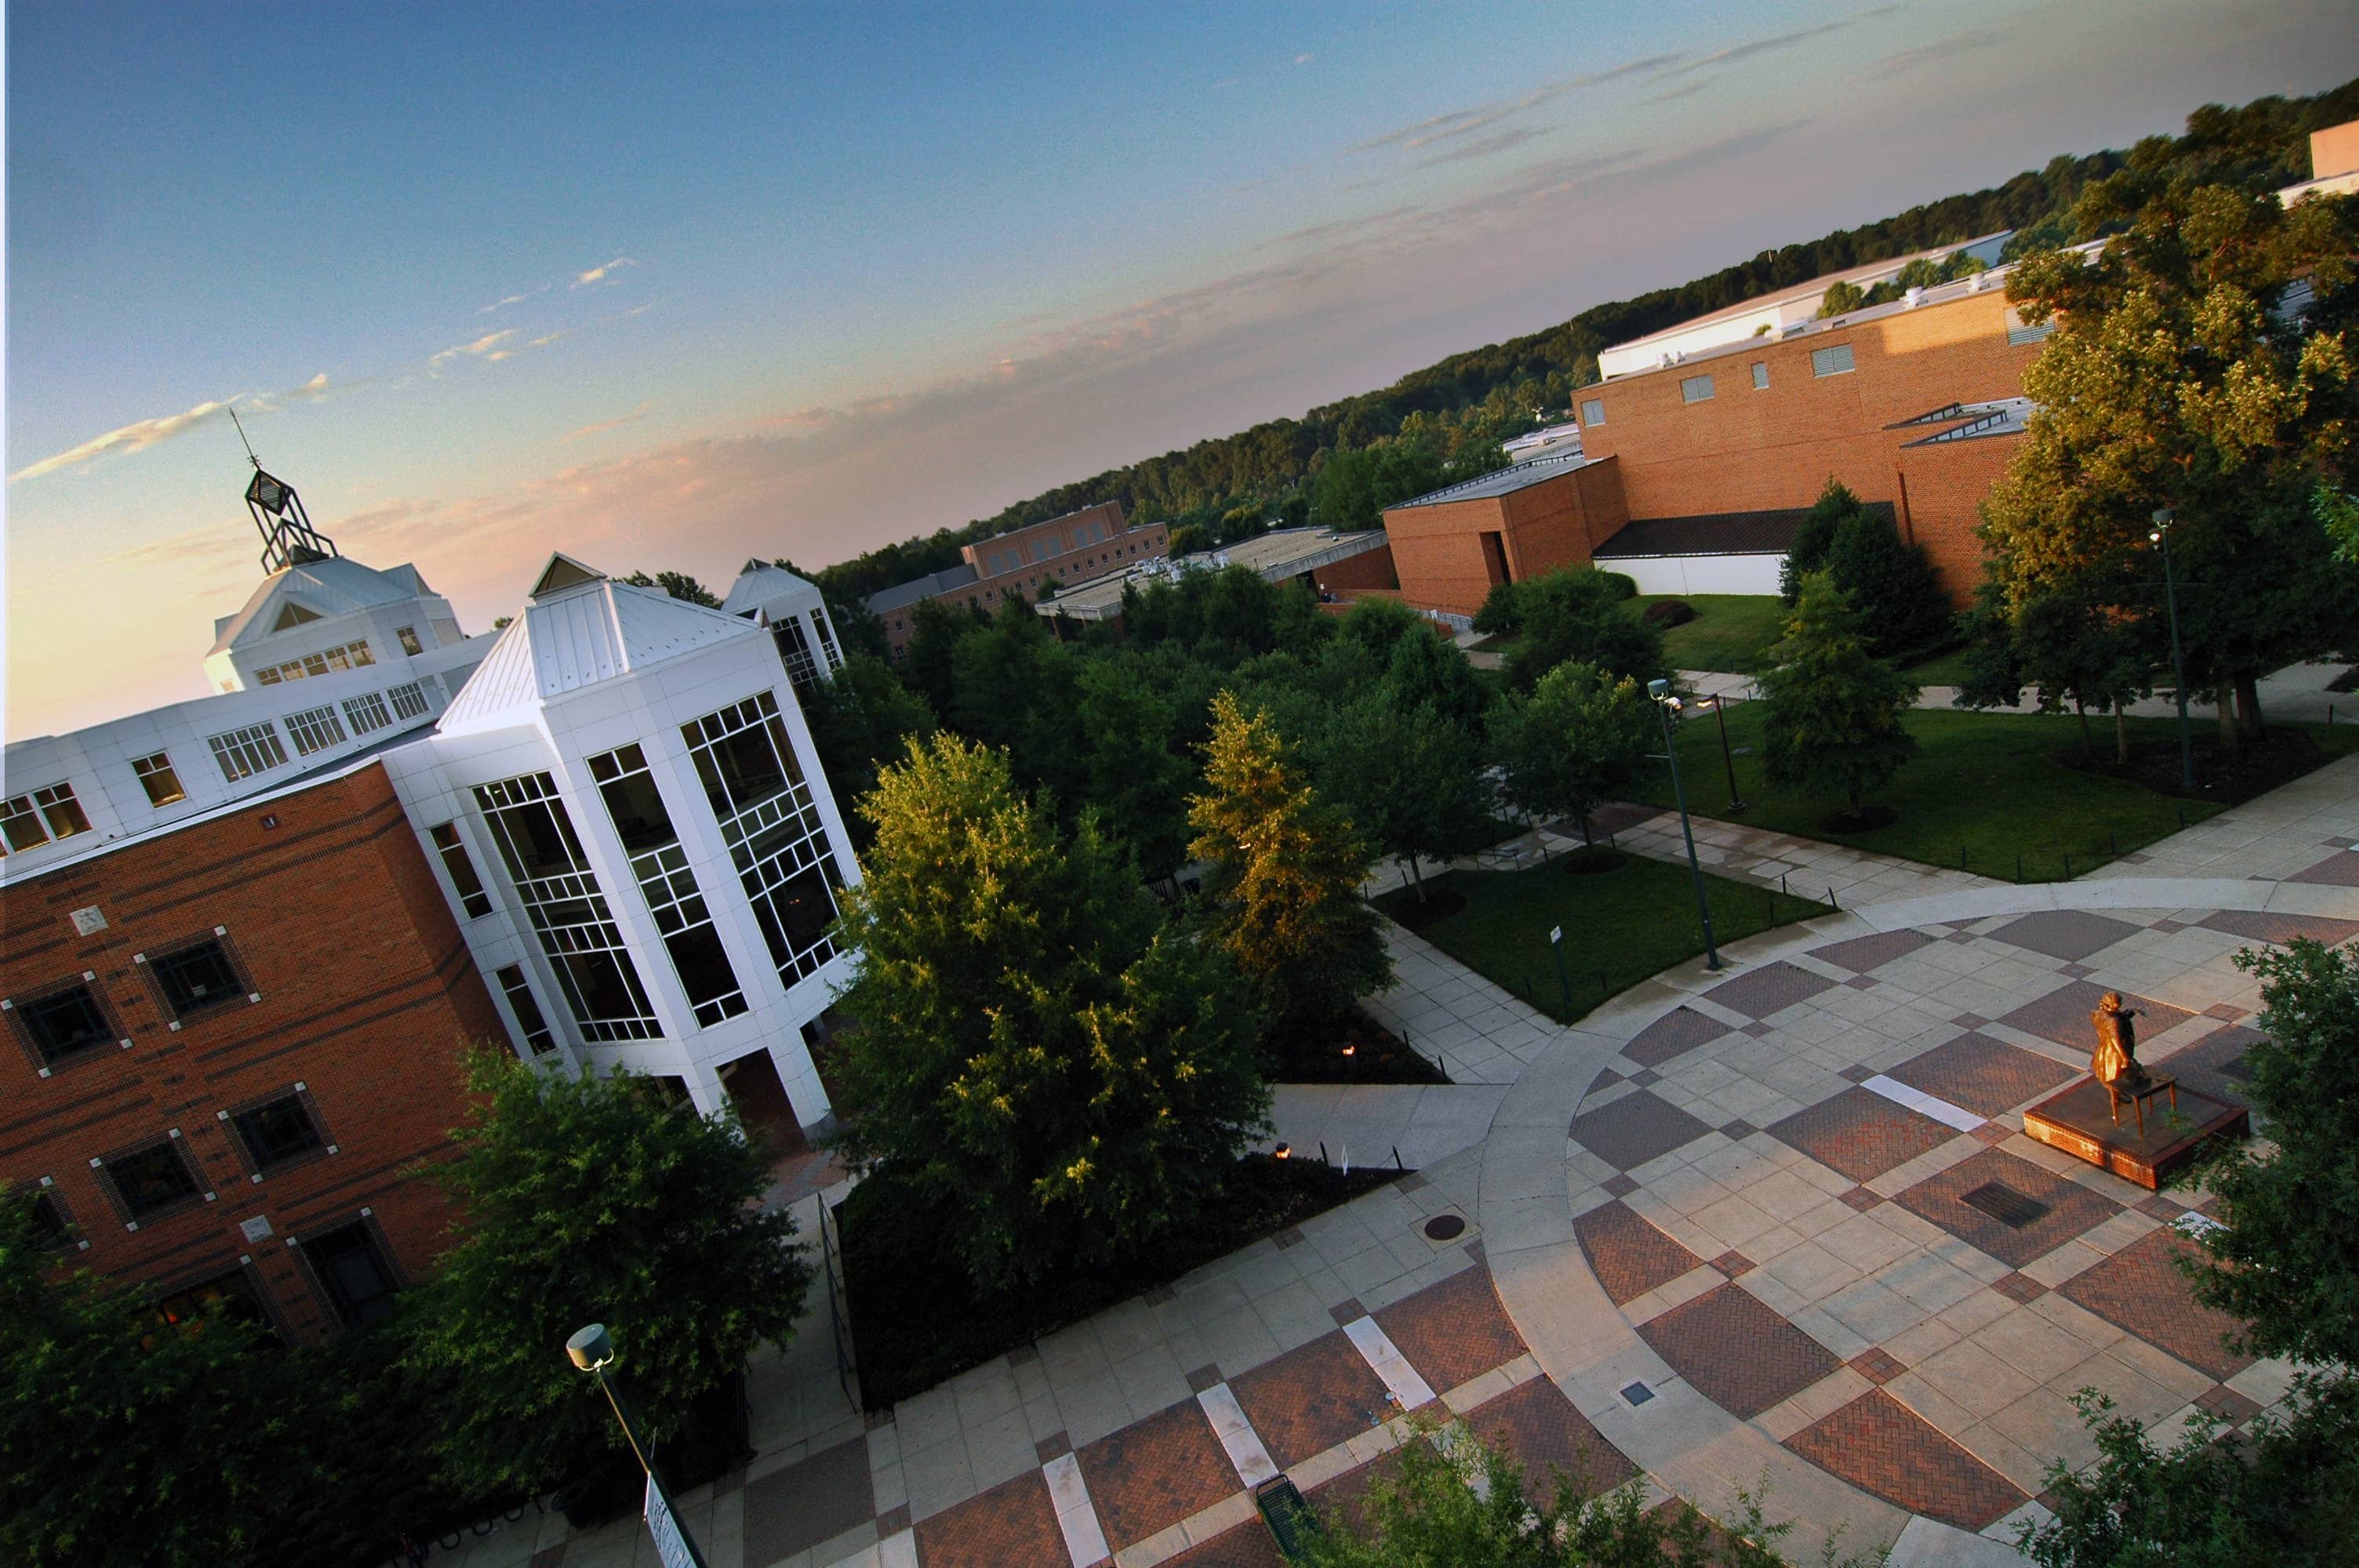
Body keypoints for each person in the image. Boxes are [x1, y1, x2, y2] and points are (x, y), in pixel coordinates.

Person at [2090, 989, 2148, 1120]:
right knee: (2115, 1076)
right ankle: (2115, 1101)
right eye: (2119, 1003)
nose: (2121, 1004)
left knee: (2111, 1076)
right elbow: (2115, 1039)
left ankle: (2117, 1095)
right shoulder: (2114, 1021)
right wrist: (2124, 1058)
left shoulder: (2096, 1013)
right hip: (2114, 1054)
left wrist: (2127, 1014)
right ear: (2113, 1004)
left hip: (2105, 1049)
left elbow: (2110, 1020)